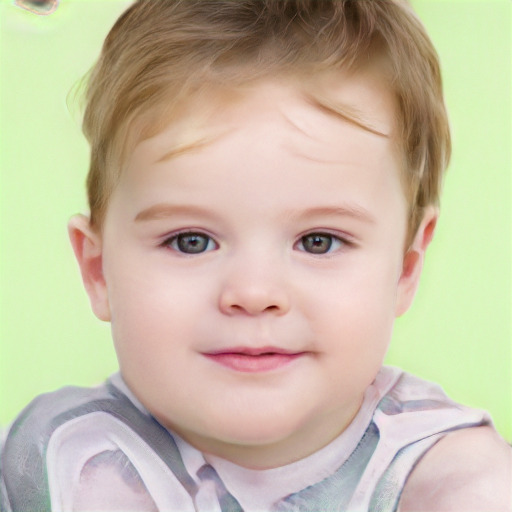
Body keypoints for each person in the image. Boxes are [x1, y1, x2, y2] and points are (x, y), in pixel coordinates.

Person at [1, 1, 510, 510]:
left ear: (404, 267)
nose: (253, 293)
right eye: (190, 241)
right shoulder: (60, 466)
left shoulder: (455, 480)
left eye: (319, 241)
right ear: (98, 271)